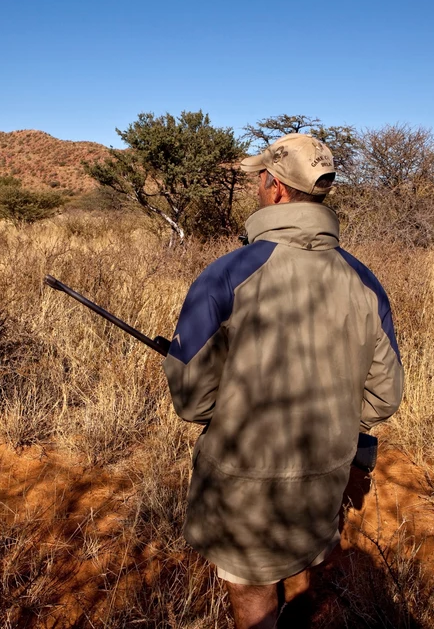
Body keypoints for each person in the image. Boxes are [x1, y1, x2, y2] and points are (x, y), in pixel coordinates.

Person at [163, 133, 404, 628]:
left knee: (252, 591)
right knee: (308, 562)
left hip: (244, 478)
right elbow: (384, 396)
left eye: (259, 178)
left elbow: (190, 399)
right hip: (330, 472)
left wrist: (230, 406)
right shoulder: (365, 280)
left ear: (274, 188)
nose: (256, 185)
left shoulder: (226, 274)